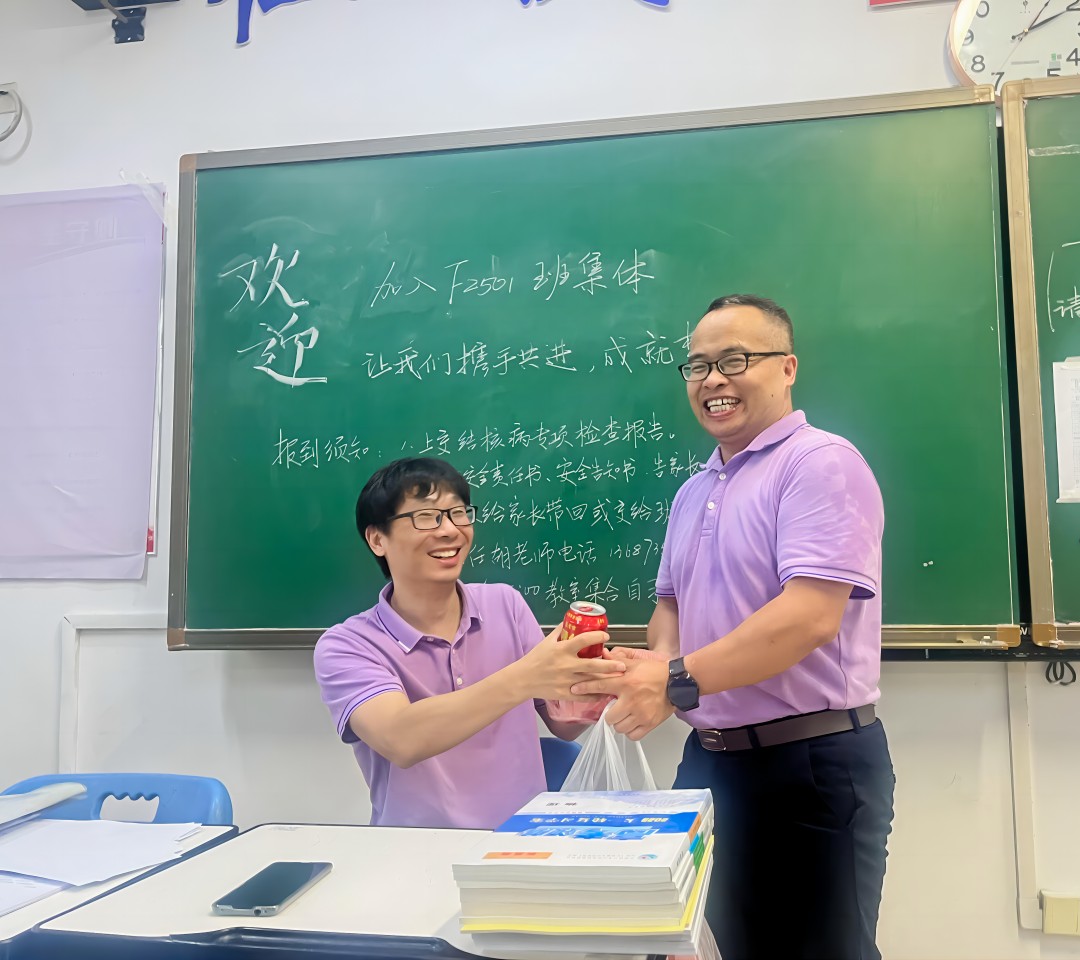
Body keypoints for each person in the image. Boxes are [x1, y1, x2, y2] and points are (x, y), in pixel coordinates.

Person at [571, 294, 894, 960]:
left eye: (735, 360)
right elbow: (671, 610)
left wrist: (674, 679)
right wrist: (648, 673)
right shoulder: (694, 491)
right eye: (697, 366)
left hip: (811, 764)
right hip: (711, 762)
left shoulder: (820, 464)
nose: (713, 379)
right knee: (723, 945)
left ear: (788, 367)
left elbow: (808, 616)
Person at [313, 456, 619, 829]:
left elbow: (562, 723)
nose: (450, 530)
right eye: (426, 517)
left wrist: (598, 686)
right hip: (414, 849)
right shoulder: (348, 646)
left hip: (522, 841)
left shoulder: (505, 604)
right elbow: (401, 738)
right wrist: (526, 677)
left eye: (458, 513)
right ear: (378, 539)